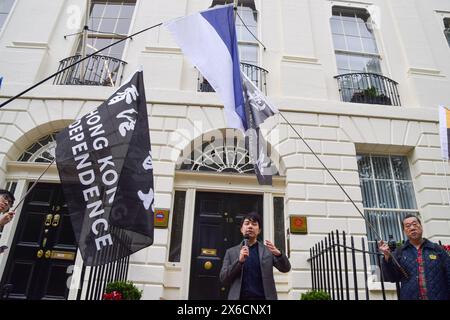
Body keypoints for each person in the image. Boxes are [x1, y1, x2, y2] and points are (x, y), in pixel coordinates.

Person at [219, 212, 291, 300]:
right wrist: (239, 261)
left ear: (259, 230)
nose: (250, 226)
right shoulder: (231, 252)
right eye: (247, 223)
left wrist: (279, 254)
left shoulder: (267, 251)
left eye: (254, 224)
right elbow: (223, 279)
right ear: (241, 229)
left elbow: (285, 268)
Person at [378, 214, 450, 300]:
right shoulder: (400, 252)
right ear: (404, 231)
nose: (412, 228)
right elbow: (391, 278)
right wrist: (387, 256)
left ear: (421, 226)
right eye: (407, 226)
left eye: (415, 224)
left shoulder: (437, 249)